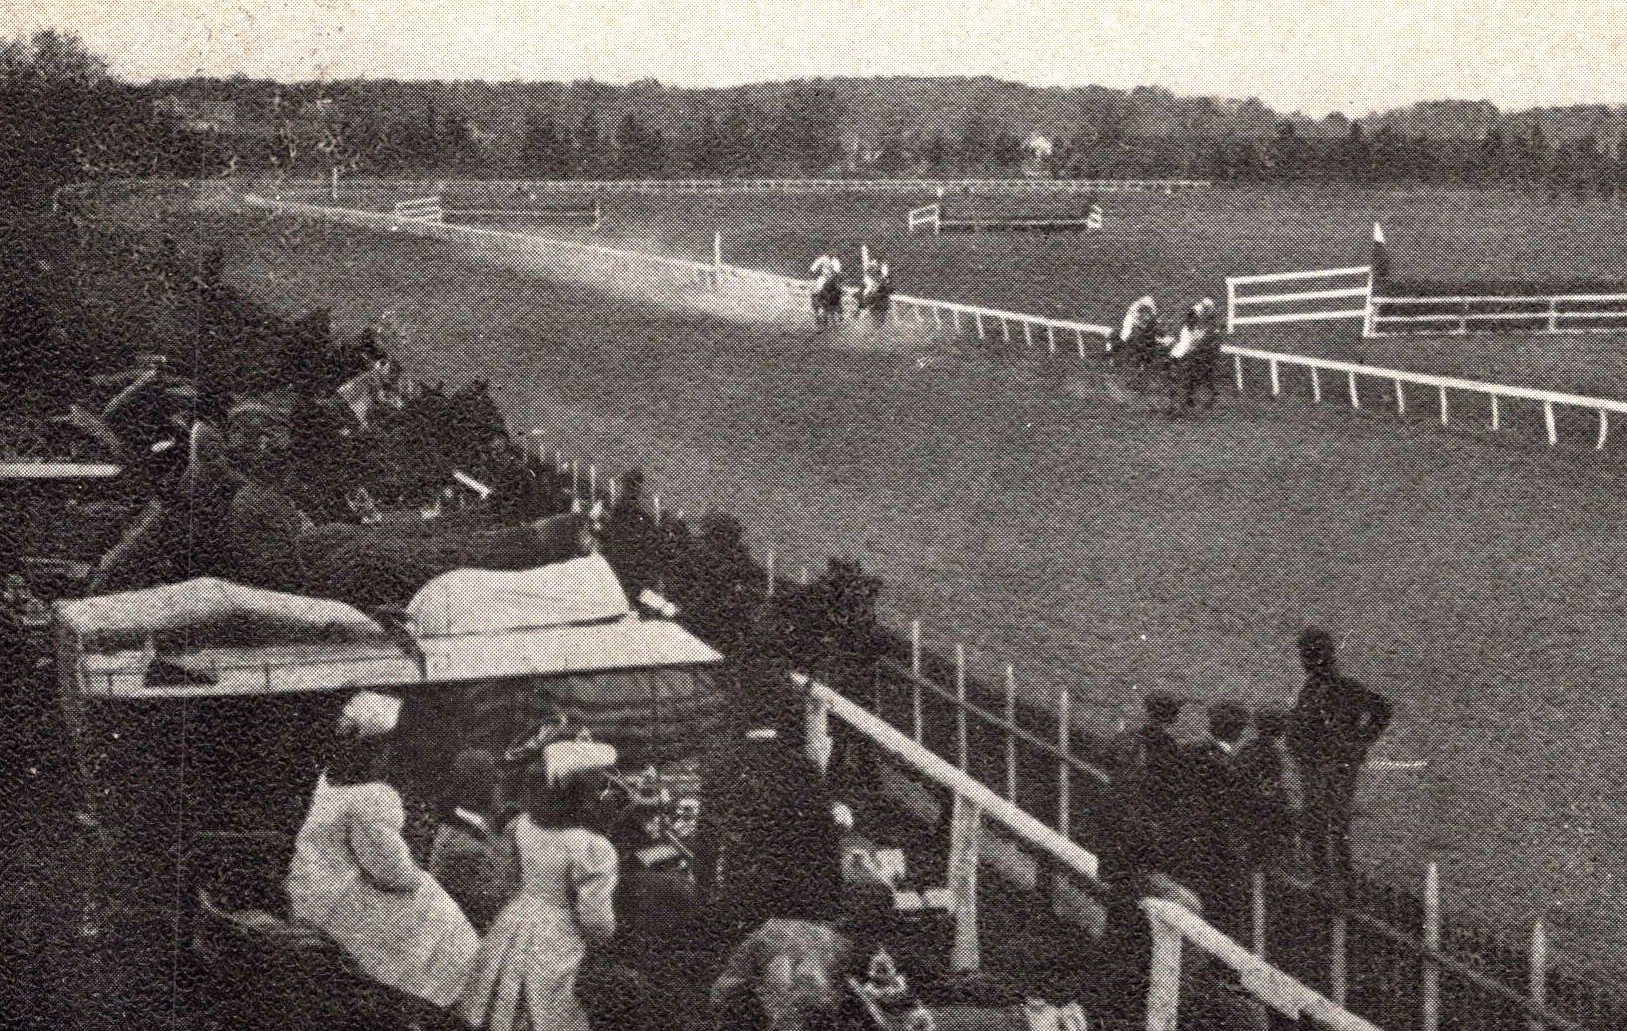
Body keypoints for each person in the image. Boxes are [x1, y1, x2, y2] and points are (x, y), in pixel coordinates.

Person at [285, 711, 480, 1010]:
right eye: (384, 748)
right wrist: (415, 876)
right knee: (435, 912)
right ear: (374, 750)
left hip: (310, 895)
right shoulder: (370, 797)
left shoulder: (326, 785)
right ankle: (440, 996)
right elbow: (392, 874)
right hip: (343, 902)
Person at [457, 741, 620, 1031]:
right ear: (586, 791)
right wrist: (605, 941)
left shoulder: (522, 825)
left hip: (515, 919)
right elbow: (596, 921)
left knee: (507, 995)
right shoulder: (592, 847)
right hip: (560, 932)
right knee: (551, 1007)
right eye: (601, 782)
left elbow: (510, 878)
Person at [700, 716, 846, 945]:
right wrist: (831, 898)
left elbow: (707, 837)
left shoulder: (723, 772)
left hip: (748, 885)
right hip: (793, 886)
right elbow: (825, 837)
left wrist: (704, 891)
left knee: (751, 948)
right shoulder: (803, 768)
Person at [1288, 628, 1394, 882]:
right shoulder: (1329, 687)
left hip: (1327, 763)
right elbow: (1381, 710)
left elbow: (1382, 710)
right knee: (1333, 816)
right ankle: (1336, 869)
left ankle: (1326, 870)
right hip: (1328, 762)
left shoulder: (1331, 688)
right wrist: (1361, 741)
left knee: (1324, 815)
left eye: (1306, 656)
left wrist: (1359, 741)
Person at [1172, 701, 1251, 933]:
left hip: (1185, 833)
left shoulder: (1188, 749)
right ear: (1237, 730)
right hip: (1214, 841)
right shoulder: (1229, 765)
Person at [428, 748, 515, 932]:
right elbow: (500, 900)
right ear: (478, 787)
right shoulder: (461, 844)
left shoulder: (474, 828)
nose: (500, 783)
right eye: (493, 779)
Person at [1234, 709, 1295, 871]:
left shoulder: (1248, 748)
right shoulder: (1270, 753)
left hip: (1246, 806)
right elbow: (1268, 787)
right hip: (1262, 809)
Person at [1167, 298, 1220, 413]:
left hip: (1192, 356)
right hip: (1182, 356)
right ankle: (1176, 404)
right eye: (1193, 318)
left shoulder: (1203, 327)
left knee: (1193, 378)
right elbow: (1189, 345)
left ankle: (1188, 400)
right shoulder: (1189, 330)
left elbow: (1208, 341)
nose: (1194, 319)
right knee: (1180, 379)